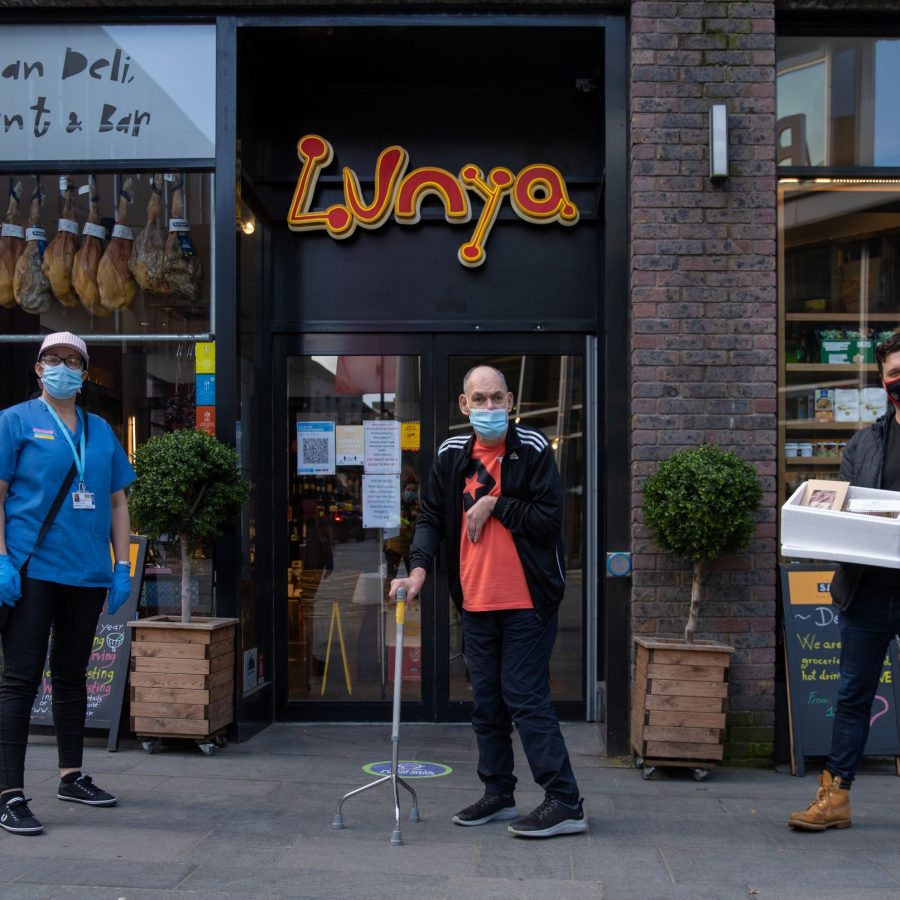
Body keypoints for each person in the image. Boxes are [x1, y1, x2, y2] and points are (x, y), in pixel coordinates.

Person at [390, 364, 586, 838]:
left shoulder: (534, 449)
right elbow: (432, 517)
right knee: (488, 703)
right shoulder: (451, 454)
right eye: (479, 399)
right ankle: (498, 792)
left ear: (512, 401)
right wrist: (417, 570)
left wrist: (494, 503)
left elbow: (548, 520)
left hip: (527, 600)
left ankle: (565, 800)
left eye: (497, 398)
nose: (489, 408)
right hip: (475, 601)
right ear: (464, 405)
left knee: (524, 694)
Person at [0, 332, 135, 836]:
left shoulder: (100, 430)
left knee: (73, 677)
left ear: (84, 372)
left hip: (86, 573)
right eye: (53, 360)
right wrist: (1, 560)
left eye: (73, 361)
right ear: (38, 369)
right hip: (32, 571)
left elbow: (119, 502)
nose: (63, 368)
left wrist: (121, 566)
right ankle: (9, 793)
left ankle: (71, 774)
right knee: (20, 681)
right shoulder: (14, 422)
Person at [788, 331, 900, 831]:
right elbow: (842, 507)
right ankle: (834, 799)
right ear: (883, 380)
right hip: (868, 590)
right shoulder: (865, 441)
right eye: (895, 372)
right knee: (853, 695)